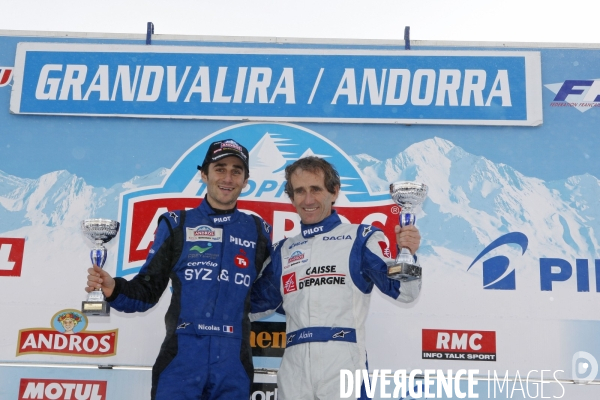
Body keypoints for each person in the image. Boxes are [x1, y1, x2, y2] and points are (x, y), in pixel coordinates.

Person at [86, 139, 272, 400]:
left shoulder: (258, 230)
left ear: (245, 179)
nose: (228, 178)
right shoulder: (177, 223)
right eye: (220, 168)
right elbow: (148, 291)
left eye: (236, 171)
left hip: (233, 361)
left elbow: (266, 295)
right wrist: (114, 288)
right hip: (182, 357)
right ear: (204, 174)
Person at [251, 156, 422, 400]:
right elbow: (248, 306)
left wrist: (409, 257)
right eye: (299, 191)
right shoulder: (283, 251)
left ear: (334, 192)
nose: (308, 200)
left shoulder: (361, 238)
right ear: (291, 198)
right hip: (294, 367)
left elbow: (405, 293)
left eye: (316, 190)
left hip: (343, 361)